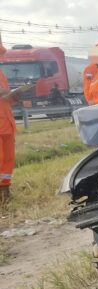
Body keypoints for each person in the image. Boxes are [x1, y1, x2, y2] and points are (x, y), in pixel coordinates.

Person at [0, 41, 18, 204]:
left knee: (7, 158)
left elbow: (4, 98)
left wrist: (14, 96)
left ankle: (5, 190)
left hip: (6, 123)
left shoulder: (1, 74)